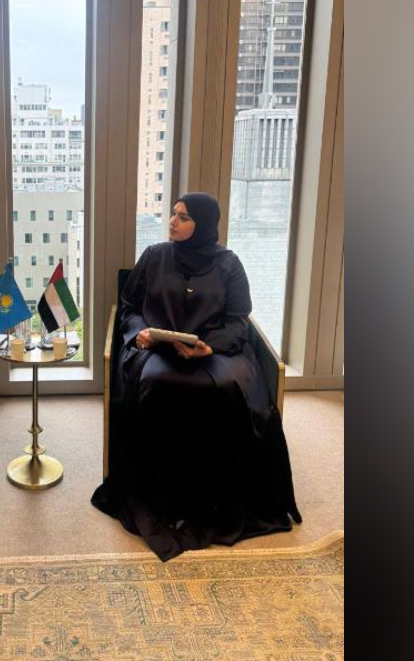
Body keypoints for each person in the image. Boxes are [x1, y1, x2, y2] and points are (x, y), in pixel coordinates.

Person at [92, 192, 301, 561]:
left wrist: (208, 347)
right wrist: (140, 333)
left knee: (225, 388)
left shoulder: (229, 264)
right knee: (154, 382)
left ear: (202, 224)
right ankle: (158, 496)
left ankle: (213, 499)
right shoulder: (154, 256)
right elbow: (129, 306)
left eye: (183, 217)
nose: (173, 222)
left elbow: (237, 322)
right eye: (173, 213)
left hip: (214, 352)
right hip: (157, 350)